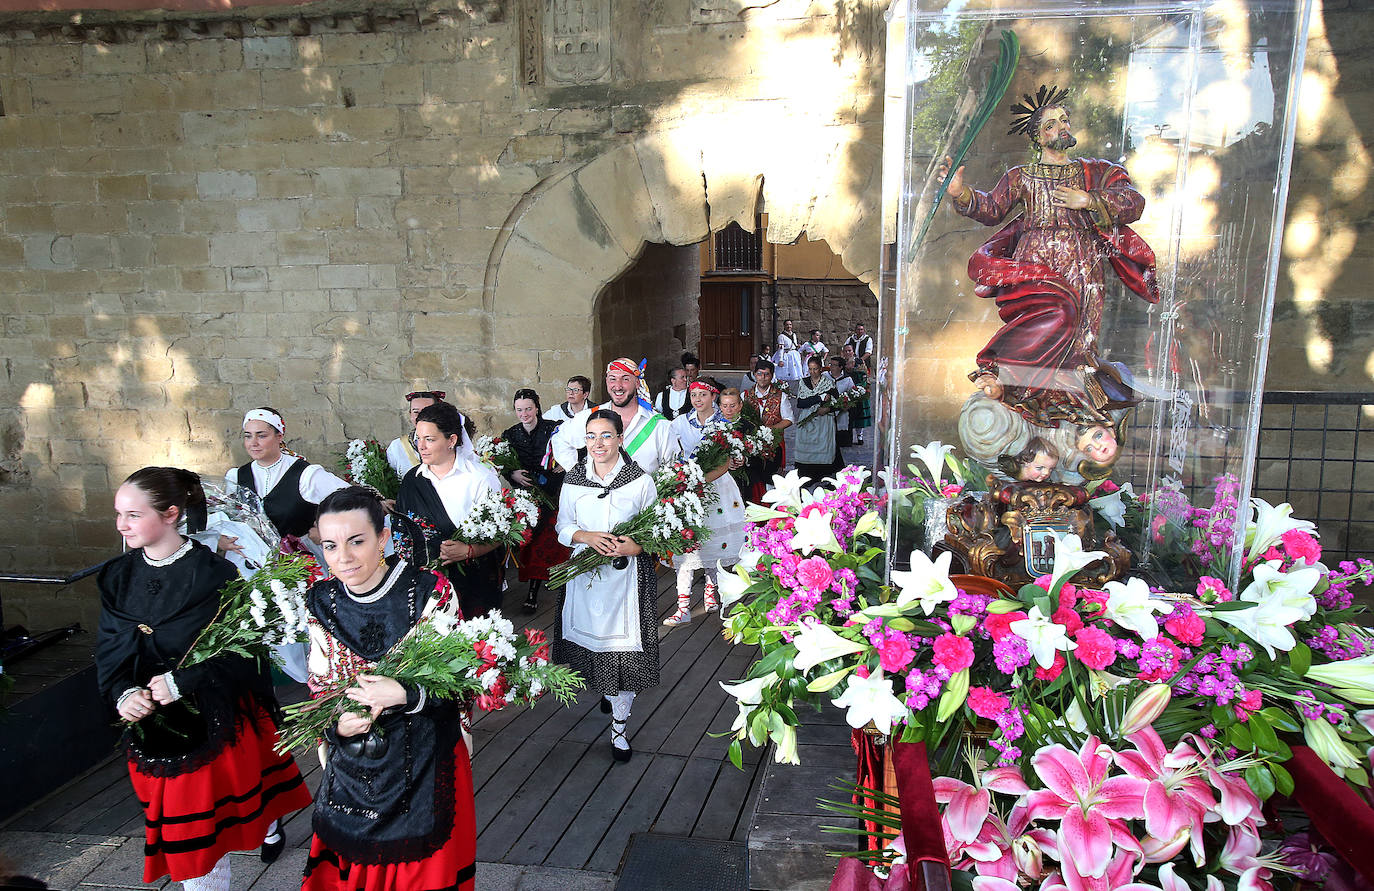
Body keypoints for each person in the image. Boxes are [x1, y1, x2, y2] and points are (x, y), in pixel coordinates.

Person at [97, 467, 311, 891]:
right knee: (196, 832)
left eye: (134, 515)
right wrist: (122, 692)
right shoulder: (118, 575)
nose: (122, 525)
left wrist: (183, 681)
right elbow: (110, 646)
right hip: (152, 726)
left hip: (211, 719)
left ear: (172, 513)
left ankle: (264, 826)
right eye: (119, 514)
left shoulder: (213, 573)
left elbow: (242, 651)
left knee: (198, 847)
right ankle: (264, 820)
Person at [937, 87, 1158, 429]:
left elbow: (1133, 202)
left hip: (1083, 263)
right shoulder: (1022, 176)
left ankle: (1065, 406)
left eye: (1064, 120)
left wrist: (1090, 200)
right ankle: (1001, 373)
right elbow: (992, 208)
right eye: (1051, 124)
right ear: (1038, 137)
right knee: (1054, 315)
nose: (1061, 128)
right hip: (1035, 264)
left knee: (1080, 338)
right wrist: (960, 193)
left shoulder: (1096, 172)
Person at [300, 487, 476, 891]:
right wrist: (337, 726)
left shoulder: (429, 592)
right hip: (355, 767)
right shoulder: (320, 601)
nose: (343, 557)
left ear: (383, 538)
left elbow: (465, 684)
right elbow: (321, 689)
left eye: (356, 541)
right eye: (330, 545)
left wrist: (405, 695)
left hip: (427, 763)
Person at [554, 409, 661, 762]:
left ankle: (619, 727)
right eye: (591, 436)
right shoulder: (573, 479)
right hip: (584, 578)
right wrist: (583, 535)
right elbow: (563, 526)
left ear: (619, 439)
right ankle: (605, 688)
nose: (597, 443)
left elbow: (660, 531)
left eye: (605, 436)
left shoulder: (640, 481)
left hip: (627, 580)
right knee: (591, 645)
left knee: (623, 652)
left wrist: (637, 546)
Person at [396, 401, 505, 618]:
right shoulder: (412, 479)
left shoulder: (479, 479)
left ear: (452, 440)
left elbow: (501, 533)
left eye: (430, 439)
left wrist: (468, 551)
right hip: (425, 586)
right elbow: (401, 529)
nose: (421, 446)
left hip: (473, 583)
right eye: (418, 438)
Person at [663, 380, 747, 627]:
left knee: (713, 543)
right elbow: (669, 451)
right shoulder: (679, 423)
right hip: (687, 487)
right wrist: (677, 473)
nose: (697, 399)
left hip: (717, 486)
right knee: (686, 544)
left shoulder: (723, 424)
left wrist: (733, 463)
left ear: (713, 397)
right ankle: (683, 606)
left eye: (702, 394)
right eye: (693, 395)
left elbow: (729, 458)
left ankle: (711, 592)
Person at [227, 407, 348, 559]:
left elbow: (352, 501)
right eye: (248, 436)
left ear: (279, 436)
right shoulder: (236, 477)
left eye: (262, 436)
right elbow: (228, 519)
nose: (254, 443)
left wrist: (327, 532)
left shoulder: (306, 475)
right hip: (252, 562)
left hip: (301, 563)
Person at [551, 358, 680, 476]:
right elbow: (560, 438)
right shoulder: (591, 416)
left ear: (637, 383)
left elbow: (674, 472)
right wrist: (578, 474)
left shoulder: (660, 426)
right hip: (599, 499)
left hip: (644, 500)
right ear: (607, 381)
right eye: (612, 379)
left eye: (625, 379)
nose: (618, 386)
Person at [503, 388, 568, 614]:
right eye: (520, 410)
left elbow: (578, 447)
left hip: (552, 492)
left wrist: (565, 462)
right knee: (529, 544)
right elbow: (504, 464)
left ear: (537, 408)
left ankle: (553, 584)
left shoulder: (554, 428)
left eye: (528, 408)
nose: (524, 414)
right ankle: (532, 588)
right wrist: (512, 474)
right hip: (525, 497)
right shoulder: (510, 434)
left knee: (549, 543)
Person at [794, 356, 842, 485]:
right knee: (806, 447)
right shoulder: (803, 382)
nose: (812, 372)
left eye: (815, 369)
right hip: (807, 420)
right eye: (810, 369)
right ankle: (806, 476)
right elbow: (800, 403)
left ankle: (822, 476)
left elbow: (838, 403)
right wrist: (819, 397)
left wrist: (827, 409)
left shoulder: (828, 383)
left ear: (820, 369)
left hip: (824, 421)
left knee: (823, 447)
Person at [386, 390, 445, 480]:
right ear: (410, 414)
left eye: (427, 411)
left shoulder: (447, 444)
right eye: (416, 412)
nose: (421, 416)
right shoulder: (397, 447)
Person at [845, 348, 873, 446]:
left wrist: (859, 389)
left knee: (860, 415)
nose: (848, 353)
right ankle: (848, 436)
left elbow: (865, 377)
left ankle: (859, 436)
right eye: (846, 351)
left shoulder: (860, 363)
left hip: (859, 392)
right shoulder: (841, 364)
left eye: (849, 351)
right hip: (847, 394)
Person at [829, 356, 855, 448]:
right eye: (831, 364)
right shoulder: (825, 376)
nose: (831, 367)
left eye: (834, 365)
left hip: (842, 410)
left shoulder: (847, 380)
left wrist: (847, 404)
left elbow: (853, 395)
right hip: (827, 410)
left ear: (840, 367)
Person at [771, 320, 804, 387]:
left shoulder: (794, 335)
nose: (789, 326)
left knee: (795, 372)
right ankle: (785, 388)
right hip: (786, 356)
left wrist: (797, 346)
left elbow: (794, 344)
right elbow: (781, 348)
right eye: (787, 325)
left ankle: (794, 388)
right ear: (784, 326)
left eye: (790, 324)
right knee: (785, 372)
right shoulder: (781, 336)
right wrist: (780, 360)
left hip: (794, 355)